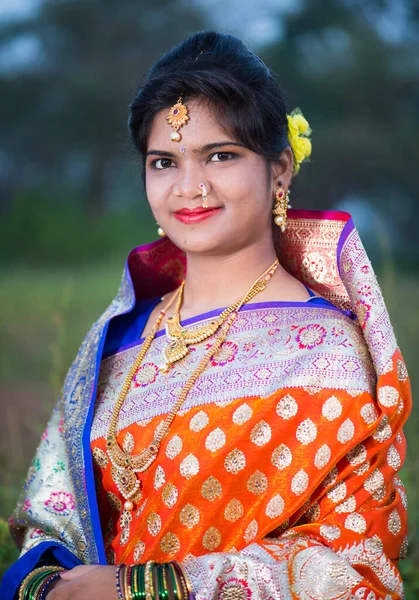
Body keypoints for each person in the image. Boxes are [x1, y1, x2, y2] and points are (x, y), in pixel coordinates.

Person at [1, 30, 411, 600]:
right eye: (164, 161)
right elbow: (52, 517)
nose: (189, 188)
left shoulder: (327, 354)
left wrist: (142, 589)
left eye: (221, 155)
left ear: (281, 171)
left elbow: (352, 566)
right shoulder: (115, 340)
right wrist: (46, 586)